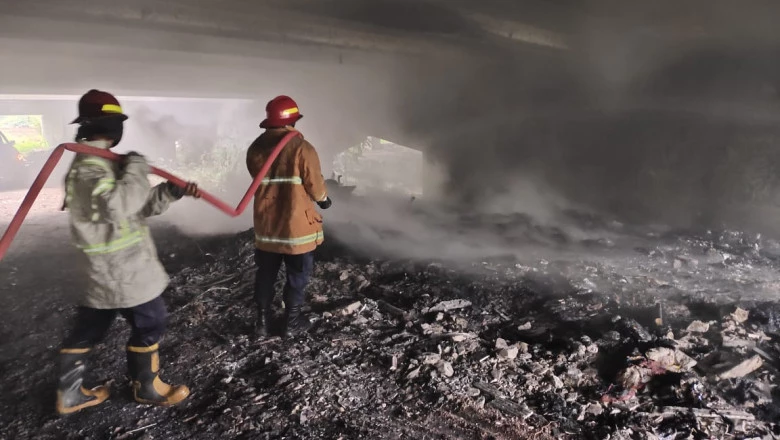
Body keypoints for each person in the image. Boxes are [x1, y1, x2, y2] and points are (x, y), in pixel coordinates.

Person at [56, 89, 200, 415]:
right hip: (119, 271)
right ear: (104, 125)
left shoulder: (102, 165)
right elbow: (120, 203)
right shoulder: (89, 169)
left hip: (107, 271)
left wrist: (169, 191)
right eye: (115, 122)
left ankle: (69, 393)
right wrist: (137, 166)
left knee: (90, 327)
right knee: (152, 319)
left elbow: (136, 207)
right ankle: (147, 387)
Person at [246, 95, 331, 338]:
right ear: (292, 122)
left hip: (267, 227)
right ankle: (291, 323)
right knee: (297, 275)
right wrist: (324, 200)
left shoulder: (255, 149)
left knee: (265, 274)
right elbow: (315, 186)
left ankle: (261, 324)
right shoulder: (302, 149)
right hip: (296, 229)